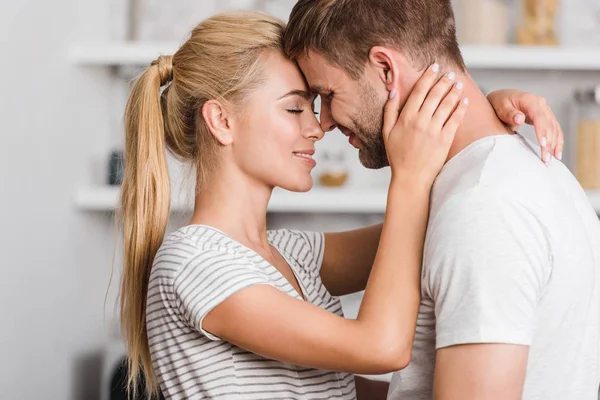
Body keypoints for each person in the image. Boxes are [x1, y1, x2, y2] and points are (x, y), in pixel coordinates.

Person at [118, 10, 565, 400]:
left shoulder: (294, 253)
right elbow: (381, 348)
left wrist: (478, 118)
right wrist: (407, 177)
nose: (318, 127)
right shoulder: (193, 262)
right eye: (295, 110)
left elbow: (438, 219)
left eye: (317, 104)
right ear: (221, 120)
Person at [283, 1, 600, 399]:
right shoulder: (528, 173)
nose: (324, 121)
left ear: (386, 69)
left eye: (328, 94)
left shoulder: (484, 209)